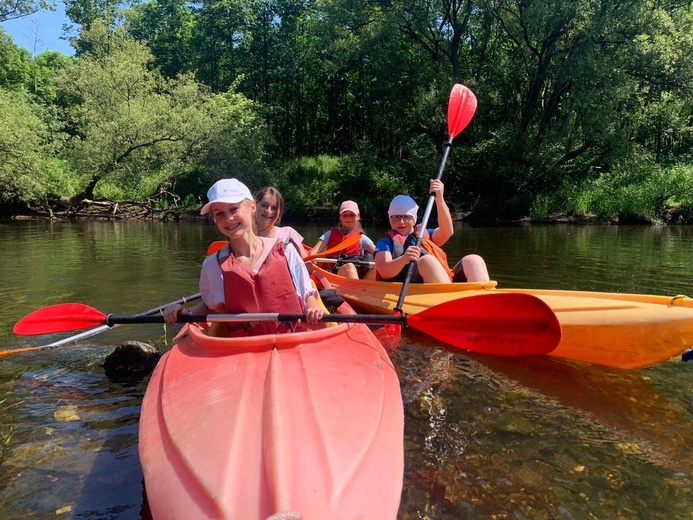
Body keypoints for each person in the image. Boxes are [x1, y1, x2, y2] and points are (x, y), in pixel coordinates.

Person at [163, 178, 326, 334]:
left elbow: (308, 294)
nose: (228, 219)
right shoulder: (212, 265)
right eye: (219, 214)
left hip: (293, 339)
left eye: (234, 209)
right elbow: (210, 305)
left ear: (252, 207)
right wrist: (186, 313)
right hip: (245, 349)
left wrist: (312, 306)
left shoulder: (287, 250)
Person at [374, 179, 490, 283]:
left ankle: (482, 300)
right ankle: (448, 300)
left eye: (406, 217)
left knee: (474, 259)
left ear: (414, 220)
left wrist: (439, 199)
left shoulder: (425, 235)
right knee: (427, 261)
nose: (401, 222)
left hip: (443, 282)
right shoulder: (385, 243)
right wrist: (403, 259)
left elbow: (447, 231)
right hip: (411, 284)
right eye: (396, 217)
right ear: (390, 219)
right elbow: (384, 272)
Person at [312, 200, 377, 280]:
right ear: (340, 217)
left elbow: (378, 254)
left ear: (358, 217)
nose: (348, 218)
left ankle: (364, 288)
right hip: (334, 273)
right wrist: (311, 260)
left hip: (356, 275)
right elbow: (313, 252)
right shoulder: (329, 234)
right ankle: (358, 289)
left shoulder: (361, 238)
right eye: (345, 215)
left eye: (352, 215)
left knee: (379, 267)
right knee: (349, 266)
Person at [254, 186, 308, 259]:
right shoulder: (244, 236)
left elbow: (307, 266)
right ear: (254, 205)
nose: (268, 211)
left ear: (279, 212)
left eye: (274, 208)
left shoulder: (288, 233)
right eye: (264, 205)